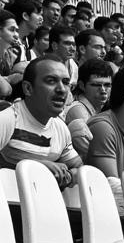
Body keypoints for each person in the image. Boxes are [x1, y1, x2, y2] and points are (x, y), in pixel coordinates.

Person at [0, 58, 81, 189]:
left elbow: (78, 169)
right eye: (51, 81)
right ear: (28, 88)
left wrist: (69, 176)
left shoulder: (61, 128)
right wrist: (36, 167)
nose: (61, 89)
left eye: (66, 82)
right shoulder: (7, 119)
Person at [65, 57, 113, 158]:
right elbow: (98, 152)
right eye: (96, 85)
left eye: (107, 85)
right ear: (82, 85)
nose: (103, 90)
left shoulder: (101, 109)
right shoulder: (78, 110)